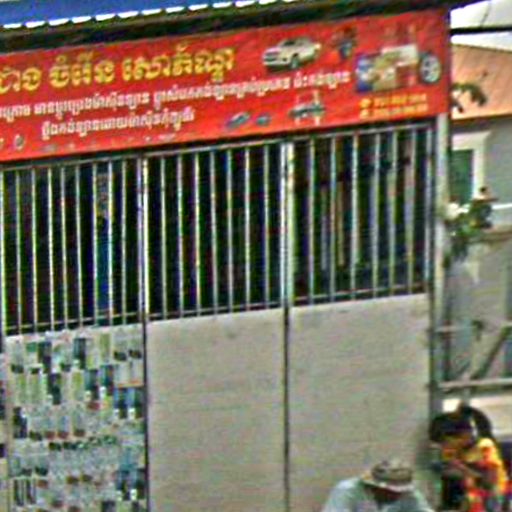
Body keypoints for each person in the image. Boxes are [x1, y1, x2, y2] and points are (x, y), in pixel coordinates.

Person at [321, 459, 434, 512]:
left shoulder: (409, 493)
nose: (395, 496)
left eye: (399, 492)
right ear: (375, 487)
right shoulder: (347, 490)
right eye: (390, 492)